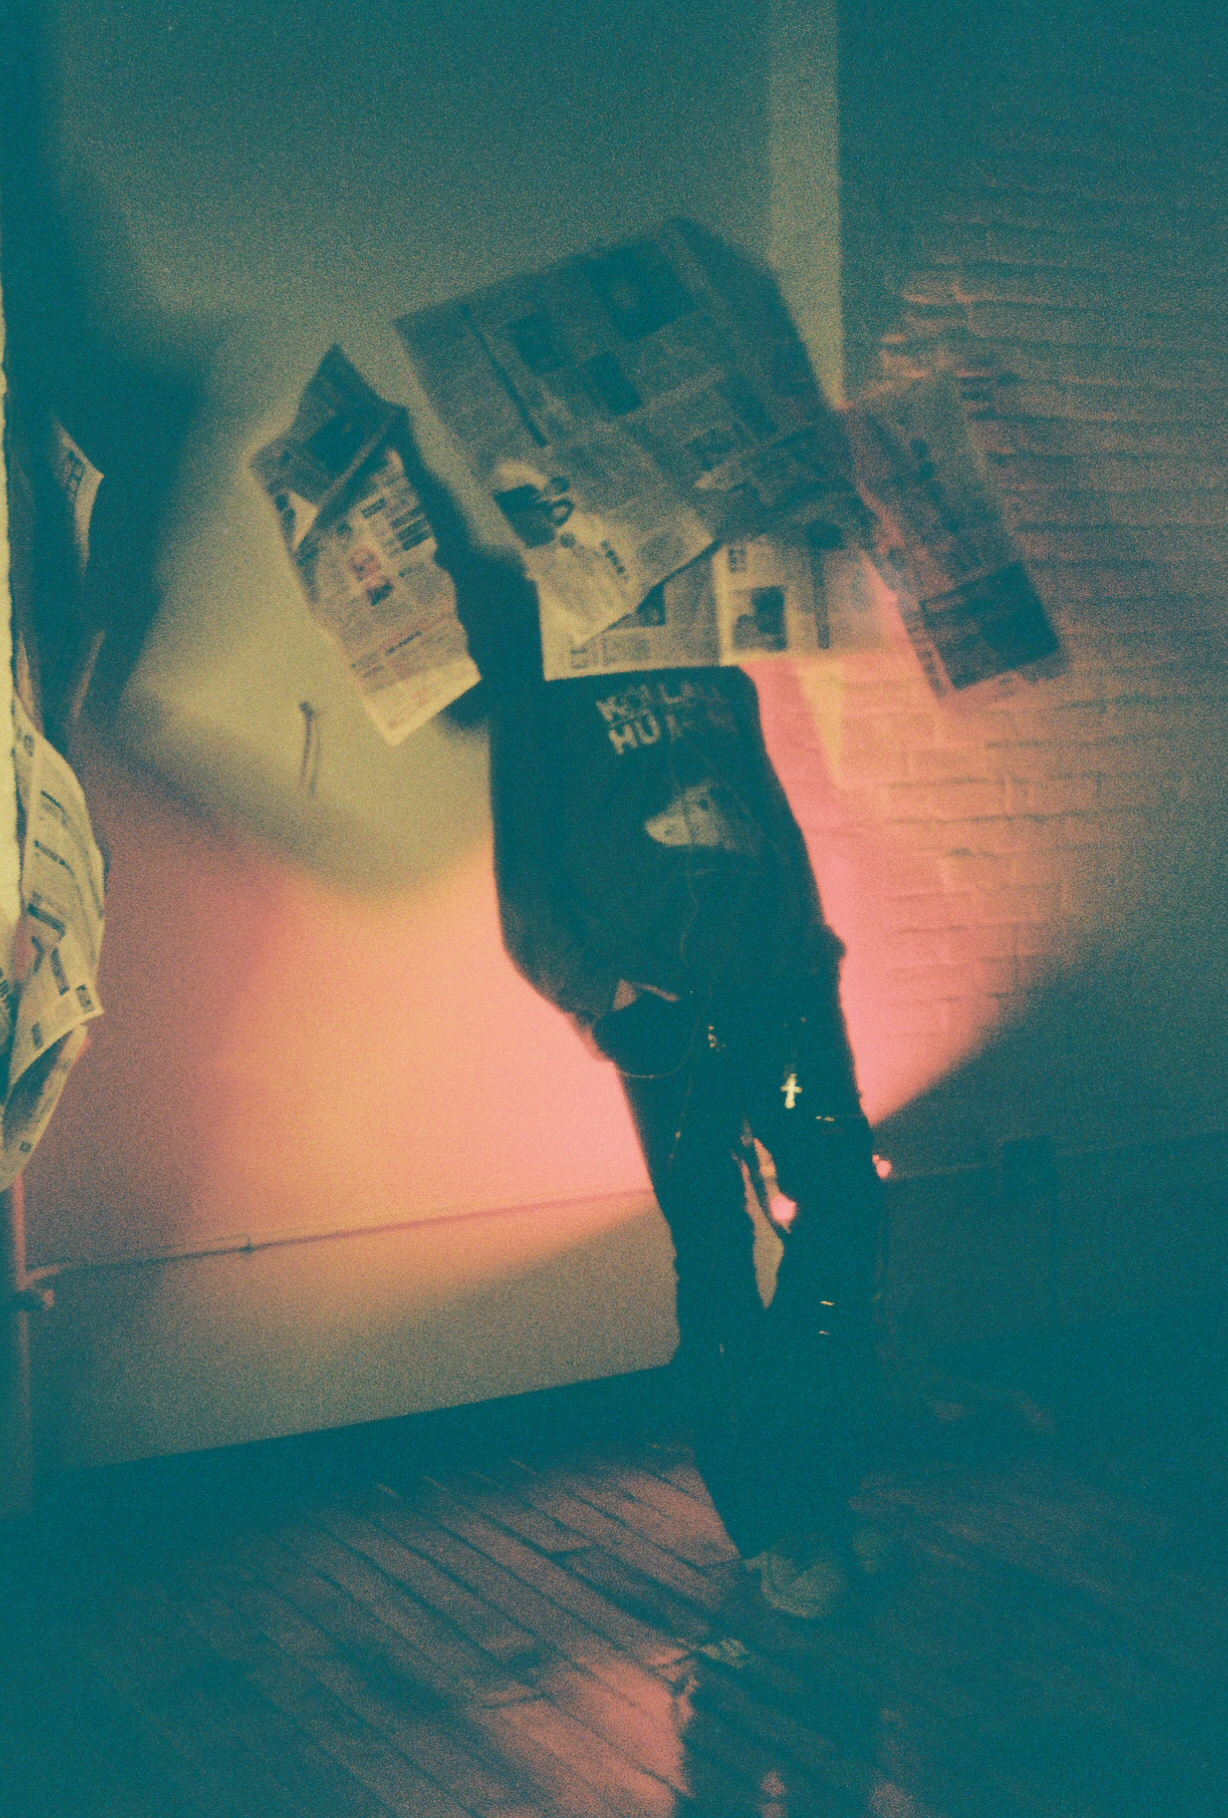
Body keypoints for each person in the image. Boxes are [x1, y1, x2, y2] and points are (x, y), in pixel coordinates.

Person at [437, 527, 886, 1618]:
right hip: (665, 1013)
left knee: (846, 1201)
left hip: (783, 985)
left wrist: (811, 939)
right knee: (717, 1252)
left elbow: (767, 811)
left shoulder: (718, 662)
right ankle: (779, 1527)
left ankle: (807, 1478)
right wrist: (605, 994)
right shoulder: (540, 687)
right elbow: (524, 879)